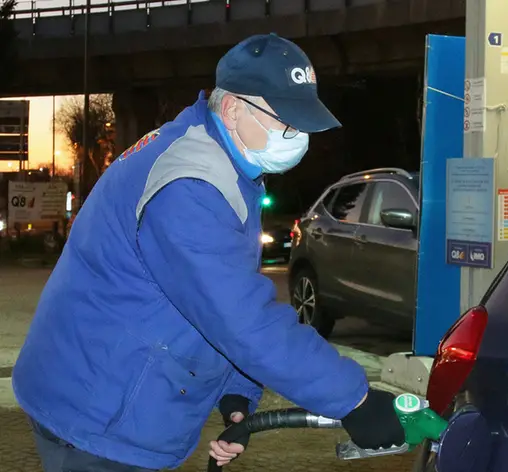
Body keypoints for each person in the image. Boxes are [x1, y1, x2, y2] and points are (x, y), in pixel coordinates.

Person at [12, 33, 405, 472]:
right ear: (234, 108)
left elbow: (211, 297)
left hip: (103, 389)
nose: (299, 138)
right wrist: (355, 399)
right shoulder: (191, 185)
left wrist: (236, 388)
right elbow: (241, 319)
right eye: (288, 123)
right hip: (98, 411)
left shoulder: (220, 157)